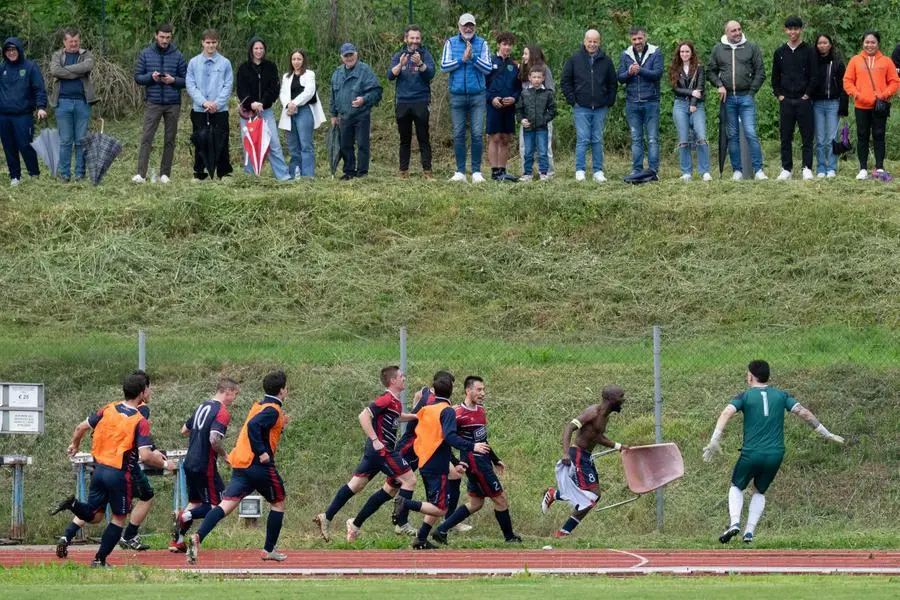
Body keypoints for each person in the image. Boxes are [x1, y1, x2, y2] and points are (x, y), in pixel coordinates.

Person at [702, 360, 845, 544]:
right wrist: (826, 433)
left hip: (752, 452)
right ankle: (749, 532)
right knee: (759, 491)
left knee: (737, 486)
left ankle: (735, 522)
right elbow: (803, 412)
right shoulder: (781, 395)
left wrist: (714, 440)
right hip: (775, 454)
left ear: (751, 376)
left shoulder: (745, 396)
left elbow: (726, 413)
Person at [51, 371, 174, 567]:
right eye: (149, 389)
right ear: (142, 393)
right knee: (118, 518)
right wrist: (166, 464)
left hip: (99, 469)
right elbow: (145, 455)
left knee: (95, 515)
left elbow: (80, 427)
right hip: (119, 473)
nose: (150, 391)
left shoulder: (108, 408)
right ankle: (100, 559)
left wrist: (75, 444)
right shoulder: (140, 419)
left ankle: (73, 504)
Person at [189, 370, 289, 563]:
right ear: (282, 390)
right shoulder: (273, 410)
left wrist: (280, 426)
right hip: (258, 465)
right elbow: (253, 427)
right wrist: (262, 452)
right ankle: (269, 550)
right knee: (278, 503)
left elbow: (261, 428)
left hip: (241, 463)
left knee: (225, 505)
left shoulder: (259, 405)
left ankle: (198, 536)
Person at [315, 366, 417, 543]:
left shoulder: (395, 401)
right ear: (392, 381)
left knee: (356, 485)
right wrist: (375, 439)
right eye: (401, 376)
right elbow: (363, 415)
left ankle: (327, 516)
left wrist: (415, 416)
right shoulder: (386, 398)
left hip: (375, 451)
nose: (404, 378)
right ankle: (401, 523)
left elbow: (397, 416)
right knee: (410, 480)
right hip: (382, 450)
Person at [391, 371, 490, 549]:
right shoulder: (447, 411)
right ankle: (405, 503)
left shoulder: (426, 409)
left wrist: (455, 461)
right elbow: (450, 437)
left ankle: (421, 539)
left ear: (433, 391)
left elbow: (431, 435)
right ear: (451, 390)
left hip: (425, 460)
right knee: (440, 508)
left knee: (434, 504)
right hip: (437, 462)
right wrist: (472, 446)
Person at [431, 376, 520, 544]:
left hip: (483, 461)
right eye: (479, 390)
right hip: (475, 463)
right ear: (468, 390)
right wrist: (455, 461)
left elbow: (482, 440)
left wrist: (495, 459)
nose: (483, 393)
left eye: (483, 389)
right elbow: (445, 439)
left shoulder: (480, 410)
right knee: (500, 499)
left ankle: (441, 530)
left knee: (476, 503)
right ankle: (510, 538)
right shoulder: (457, 413)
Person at [541, 385, 629, 537]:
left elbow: (597, 436)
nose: (623, 400)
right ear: (610, 399)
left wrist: (619, 446)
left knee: (594, 496)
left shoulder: (605, 416)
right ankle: (560, 517)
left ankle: (563, 527)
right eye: (620, 397)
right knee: (592, 495)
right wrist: (566, 453)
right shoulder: (593, 412)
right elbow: (569, 427)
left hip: (586, 457)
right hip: (577, 455)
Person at [169, 377, 239, 552]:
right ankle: (184, 516)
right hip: (204, 464)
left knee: (195, 502)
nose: (235, 399)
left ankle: (177, 541)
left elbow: (184, 430)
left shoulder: (202, 405)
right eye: (235, 394)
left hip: (189, 461)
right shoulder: (222, 412)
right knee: (219, 505)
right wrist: (224, 455)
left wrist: (198, 434)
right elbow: (214, 439)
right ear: (227, 392)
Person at [708, 20, 768, 180]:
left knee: (751, 133)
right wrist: (719, 85)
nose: (737, 33)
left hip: (746, 97)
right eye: (733, 30)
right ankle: (737, 171)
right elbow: (710, 71)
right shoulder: (718, 49)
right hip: (728, 99)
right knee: (733, 135)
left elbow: (760, 72)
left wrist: (751, 92)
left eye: (739, 29)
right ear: (726, 33)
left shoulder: (751, 47)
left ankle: (759, 170)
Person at [441, 13, 493, 183]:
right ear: (459, 26)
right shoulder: (450, 43)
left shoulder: (483, 43)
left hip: (478, 95)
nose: (468, 28)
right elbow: (443, 66)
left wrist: (473, 58)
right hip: (457, 95)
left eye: (471, 25)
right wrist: (462, 60)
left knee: (477, 134)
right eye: (465, 25)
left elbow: (488, 69)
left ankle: (476, 172)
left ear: (475, 27)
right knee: (458, 134)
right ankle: (460, 172)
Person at [561, 29, 617, 183]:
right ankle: (580, 170)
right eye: (589, 41)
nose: (592, 44)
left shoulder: (606, 61)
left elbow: (612, 83)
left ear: (599, 42)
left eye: (595, 41)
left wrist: (609, 101)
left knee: (597, 139)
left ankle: (598, 171)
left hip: (600, 107)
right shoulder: (574, 59)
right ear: (585, 41)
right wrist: (573, 100)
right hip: (581, 106)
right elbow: (565, 81)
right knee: (583, 139)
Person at [133, 23, 186, 184]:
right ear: (156, 35)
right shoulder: (146, 53)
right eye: (162, 37)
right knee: (147, 137)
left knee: (170, 139)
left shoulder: (178, 55)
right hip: (153, 102)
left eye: (168, 37)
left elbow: (186, 80)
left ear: (171, 37)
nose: (164, 40)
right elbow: (138, 77)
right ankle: (141, 174)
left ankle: (165, 174)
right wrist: (151, 77)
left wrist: (173, 80)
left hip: (173, 104)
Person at [843, 30, 899, 180]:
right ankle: (862, 169)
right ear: (863, 43)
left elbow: (894, 81)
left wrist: (884, 94)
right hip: (861, 105)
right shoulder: (855, 60)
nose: (870, 45)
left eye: (873, 42)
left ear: (878, 43)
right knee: (862, 135)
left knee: (879, 135)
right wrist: (856, 94)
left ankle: (879, 167)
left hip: (879, 105)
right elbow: (847, 81)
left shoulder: (887, 61)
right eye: (867, 42)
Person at [237, 36, 291, 181]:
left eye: (261, 48)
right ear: (251, 50)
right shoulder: (243, 68)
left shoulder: (271, 67)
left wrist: (262, 102)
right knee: (249, 144)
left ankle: (283, 176)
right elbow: (241, 90)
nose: (259, 51)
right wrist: (251, 103)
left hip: (265, 112)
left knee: (274, 144)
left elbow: (274, 88)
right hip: (248, 113)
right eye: (256, 48)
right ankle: (250, 177)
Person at [771, 16, 817, 181]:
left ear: (801, 30)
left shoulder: (809, 50)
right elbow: (775, 78)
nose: (793, 32)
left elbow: (814, 75)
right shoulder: (780, 52)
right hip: (786, 100)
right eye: (790, 29)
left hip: (803, 100)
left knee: (807, 136)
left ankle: (807, 168)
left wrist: (807, 94)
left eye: (796, 29)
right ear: (785, 30)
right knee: (785, 136)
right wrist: (779, 95)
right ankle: (786, 169)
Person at [329, 42, 382, 180]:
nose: (349, 58)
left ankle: (362, 172)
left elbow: (377, 91)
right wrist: (333, 114)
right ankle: (349, 171)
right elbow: (333, 95)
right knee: (345, 145)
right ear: (342, 57)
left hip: (361, 115)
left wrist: (364, 99)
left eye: (351, 54)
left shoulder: (365, 70)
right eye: (346, 56)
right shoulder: (337, 73)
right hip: (344, 116)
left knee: (362, 144)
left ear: (356, 54)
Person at [388, 25, 435, 179]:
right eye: (412, 38)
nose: (415, 41)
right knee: (404, 139)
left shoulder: (425, 54)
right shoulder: (399, 55)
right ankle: (403, 172)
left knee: (423, 137)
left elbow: (431, 74)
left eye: (417, 38)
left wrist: (420, 64)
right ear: (406, 39)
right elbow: (390, 76)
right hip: (402, 102)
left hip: (421, 101)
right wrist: (400, 65)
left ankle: (427, 172)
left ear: (420, 39)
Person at [185, 29, 233, 181]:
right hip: (200, 109)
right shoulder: (193, 62)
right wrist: (203, 102)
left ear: (217, 43)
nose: (211, 45)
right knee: (200, 140)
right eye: (208, 42)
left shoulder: (225, 63)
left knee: (222, 140)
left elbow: (228, 85)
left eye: (213, 42)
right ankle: (200, 173)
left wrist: (217, 104)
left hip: (220, 110)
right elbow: (190, 84)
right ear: (202, 43)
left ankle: (224, 172)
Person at [49, 28, 95, 183]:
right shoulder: (57, 55)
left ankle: (80, 174)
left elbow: (87, 67)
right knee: (65, 141)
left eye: (76, 41)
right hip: (63, 103)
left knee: (81, 140)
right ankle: (65, 174)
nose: (74, 44)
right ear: (64, 42)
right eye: (71, 41)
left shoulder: (86, 54)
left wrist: (64, 71)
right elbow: (54, 71)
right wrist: (77, 71)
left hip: (82, 103)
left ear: (79, 41)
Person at [0, 37, 48, 186]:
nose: (11, 53)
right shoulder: (2, 68)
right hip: (4, 116)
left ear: (19, 50)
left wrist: (41, 107)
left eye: (13, 49)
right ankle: (15, 176)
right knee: (9, 147)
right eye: (8, 50)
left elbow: (39, 89)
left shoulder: (30, 67)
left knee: (25, 145)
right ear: (4, 52)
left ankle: (34, 174)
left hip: (23, 115)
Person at [617, 26, 663, 177]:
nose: (637, 41)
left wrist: (640, 70)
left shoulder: (655, 52)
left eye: (640, 38)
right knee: (636, 138)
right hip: (632, 102)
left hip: (651, 101)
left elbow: (657, 74)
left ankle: (653, 170)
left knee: (652, 138)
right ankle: (637, 169)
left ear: (645, 37)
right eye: (634, 39)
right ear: (631, 40)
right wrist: (629, 72)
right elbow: (620, 78)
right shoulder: (625, 54)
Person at [279, 48, 325, 179]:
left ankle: (308, 176)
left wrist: (294, 103)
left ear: (303, 60)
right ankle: (294, 174)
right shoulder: (286, 76)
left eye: (299, 59)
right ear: (290, 61)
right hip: (289, 112)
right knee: (293, 146)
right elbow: (282, 93)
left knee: (306, 144)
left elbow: (309, 92)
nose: (296, 61)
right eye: (294, 59)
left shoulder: (309, 74)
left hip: (304, 111)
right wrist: (288, 105)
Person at [670, 40, 711, 180]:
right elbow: (675, 88)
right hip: (680, 105)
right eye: (682, 51)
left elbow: (700, 87)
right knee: (683, 138)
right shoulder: (674, 67)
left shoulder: (699, 67)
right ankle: (686, 173)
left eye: (687, 51)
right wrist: (691, 92)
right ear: (679, 53)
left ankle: (705, 171)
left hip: (697, 105)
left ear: (692, 53)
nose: (684, 54)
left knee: (701, 135)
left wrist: (693, 103)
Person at [811, 33, 848, 178]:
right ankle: (821, 168)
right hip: (817, 104)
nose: (822, 45)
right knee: (820, 139)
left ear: (830, 45)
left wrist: (843, 107)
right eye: (819, 43)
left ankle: (832, 167)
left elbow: (844, 86)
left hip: (833, 103)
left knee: (832, 138)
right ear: (816, 45)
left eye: (825, 42)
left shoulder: (838, 63)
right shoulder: (813, 62)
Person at [486, 31, 521, 182]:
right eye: (504, 44)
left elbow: (519, 88)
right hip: (493, 105)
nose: (507, 47)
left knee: (506, 138)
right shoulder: (489, 62)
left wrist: (514, 98)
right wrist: (491, 98)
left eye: (510, 45)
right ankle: (495, 172)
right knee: (495, 137)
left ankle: (503, 171)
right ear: (498, 45)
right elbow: (482, 85)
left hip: (509, 106)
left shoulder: (514, 65)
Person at [518, 45, 555, 175]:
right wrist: (522, 117)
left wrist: (544, 117)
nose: (523, 56)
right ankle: (526, 172)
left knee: (545, 146)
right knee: (525, 146)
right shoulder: (524, 69)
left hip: (542, 116)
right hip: (527, 115)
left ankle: (547, 172)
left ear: (533, 55)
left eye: (526, 54)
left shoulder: (544, 69)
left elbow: (550, 90)